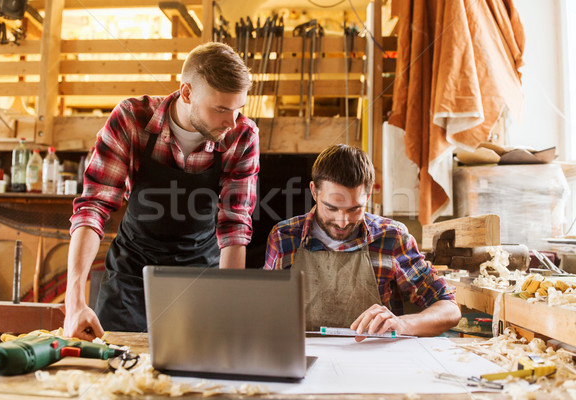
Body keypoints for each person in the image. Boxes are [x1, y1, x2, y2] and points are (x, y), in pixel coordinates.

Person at [64, 42, 259, 340]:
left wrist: (227, 303)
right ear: (187, 92)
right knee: (115, 373)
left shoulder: (242, 136)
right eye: (220, 108)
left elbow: (234, 225)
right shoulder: (132, 119)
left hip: (201, 278)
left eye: (237, 109)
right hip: (130, 278)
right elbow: (93, 207)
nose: (231, 122)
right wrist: (75, 299)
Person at [264, 144, 460, 338]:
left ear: (367, 196)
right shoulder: (284, 237)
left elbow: (449, 308)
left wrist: (403, 324)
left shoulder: (391, 237)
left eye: (354, 209)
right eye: (331, 208)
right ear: (314, 192)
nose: (342, 222)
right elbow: (264, 311)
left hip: (372, 361)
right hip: (302, 358)